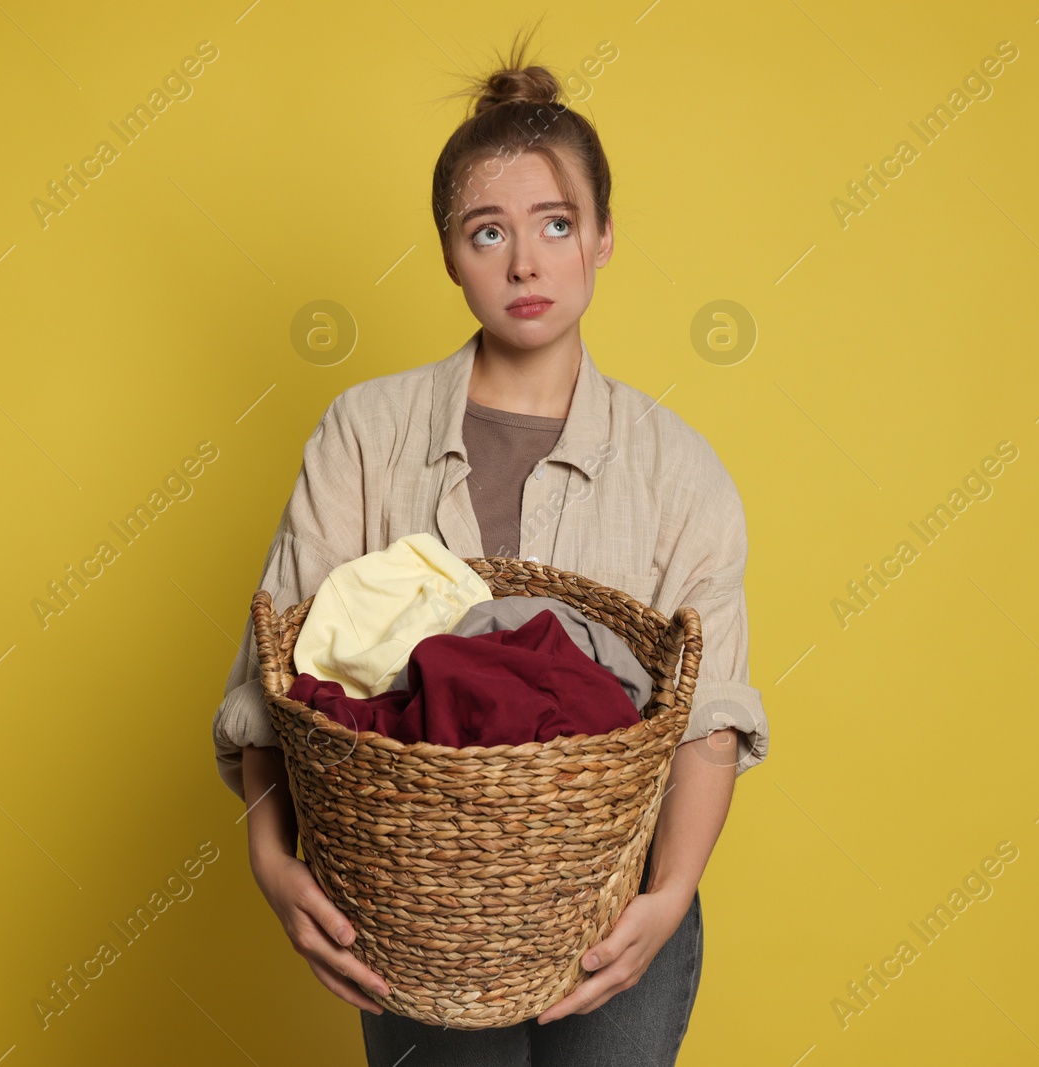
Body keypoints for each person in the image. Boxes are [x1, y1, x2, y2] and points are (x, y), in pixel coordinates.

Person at [209, 24, 770, 1066]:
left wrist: (671, 893)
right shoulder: (365, 434)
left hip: (616, 904)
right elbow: (278, 670)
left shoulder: (676, 467)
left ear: (604, 236)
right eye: (486, 232)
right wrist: (271, 860)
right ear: (447, 254)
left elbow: (712, 708)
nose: (524, 262)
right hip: (410, 901)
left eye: (556, 224)